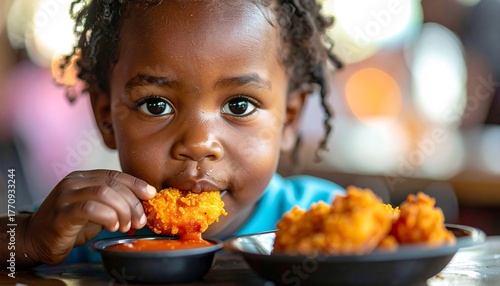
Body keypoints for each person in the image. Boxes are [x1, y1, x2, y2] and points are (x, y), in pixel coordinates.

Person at [0, 0, 344, 268]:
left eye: (239, 105)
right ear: (106, 118)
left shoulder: (328, 220)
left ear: (289, 119)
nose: (198, 144)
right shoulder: (76, 229)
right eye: (155, 105)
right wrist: (29, 241)